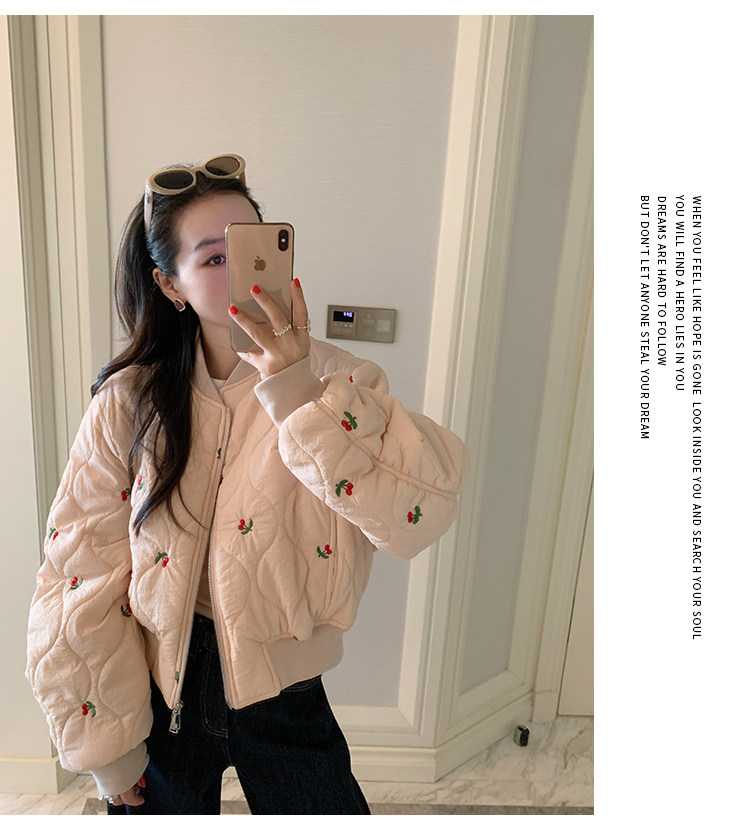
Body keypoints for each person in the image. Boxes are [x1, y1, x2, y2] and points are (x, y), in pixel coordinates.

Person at [25, 154, 468, 815]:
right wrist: (107, 750)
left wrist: (298, 393)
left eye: (254, 245)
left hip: (286, 691)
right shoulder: (129, 402)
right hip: (161, 687)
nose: (242, 271)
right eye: (213, 257)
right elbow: (78, 570)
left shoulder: (342, 384)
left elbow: (419, 514)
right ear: (169, 284)